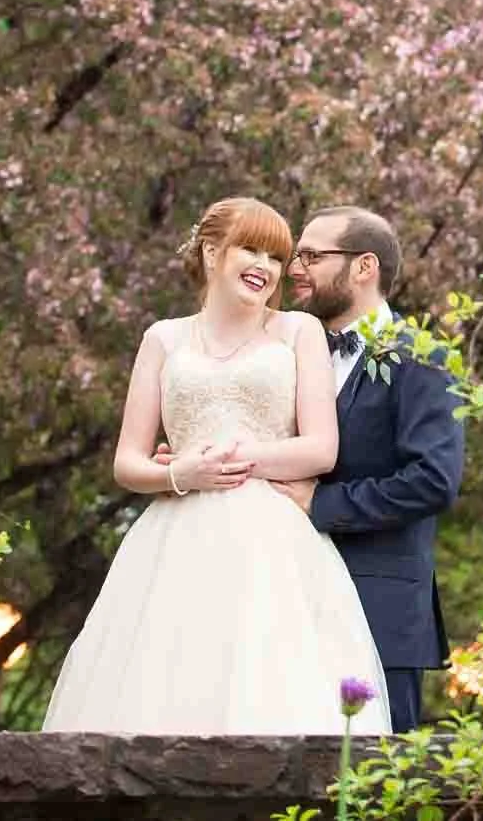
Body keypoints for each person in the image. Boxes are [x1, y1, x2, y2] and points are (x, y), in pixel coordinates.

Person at [41, 197, 389, 734]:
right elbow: (128, 461)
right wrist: (180, 475)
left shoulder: (298, 332)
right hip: (175, 535)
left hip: (273, 539)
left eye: (276, 257)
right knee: (161, 685)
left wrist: (238, 460)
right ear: (211, 253)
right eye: (250, 250)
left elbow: (321, 448)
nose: (266, 268)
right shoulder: (164, 338)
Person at [278, 205, 464, 735]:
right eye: (297, 255)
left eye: (312, 256)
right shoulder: (285, 355)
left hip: (379, 614)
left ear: (364, 267)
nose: (295, 268)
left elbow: (434, 479)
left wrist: (322, 505)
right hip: (285, 601)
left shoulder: (423, 357)